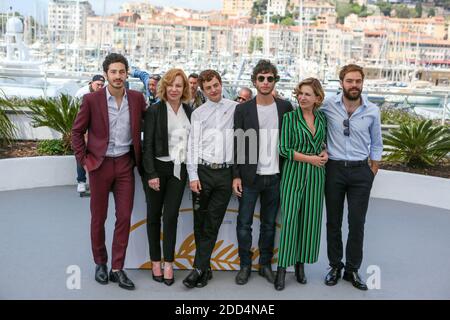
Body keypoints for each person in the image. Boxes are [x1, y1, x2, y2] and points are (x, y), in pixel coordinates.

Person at [72, 53, 147, 290]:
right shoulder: (92, 100)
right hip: (99, 165)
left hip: (125, 164)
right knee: (99, 218)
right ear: (106, 74)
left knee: (124, 217)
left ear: (127, 74)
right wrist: (84, 160)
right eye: (113, 72)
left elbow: (150, 126)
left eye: (121, 72)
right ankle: (100, 263)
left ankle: (117, 267)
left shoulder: (136, 99)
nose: (117, 76)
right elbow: (76, 132)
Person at [321, 64, 383, 291]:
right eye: (350, 81)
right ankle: (335, 266)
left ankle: (352, 269)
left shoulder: (372, 110)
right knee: (333, 222)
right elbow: (310, 120)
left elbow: (377, 144)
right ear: (341, 83)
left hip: (360, 172)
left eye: (358, 81)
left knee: (357, 223)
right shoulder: (328, 105)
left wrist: (371, 172)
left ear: (362, 83)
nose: (354, 85)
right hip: (334, 170)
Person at [232, 60, 293, 286]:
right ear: (255, 81)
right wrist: (236, 175)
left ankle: (265, 265)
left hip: (276, 176)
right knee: (244, 224)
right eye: (261, 78)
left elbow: (294, 137)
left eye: (270, 78)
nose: (265, 82)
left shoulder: (285, 107)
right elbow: (237, 142)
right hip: (250, 177)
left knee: (269, 225)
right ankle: (245, 265)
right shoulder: (243, 109)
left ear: (275, 80)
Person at [183, 69, 238, 289]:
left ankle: (198, 269)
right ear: (202, 90)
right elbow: (192, 146)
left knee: (212, 223)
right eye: (208, 88)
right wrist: (193, 175)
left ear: (221, 84)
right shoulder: (198, 113)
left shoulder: (236, 108)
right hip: (203, 173)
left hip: (225, 175)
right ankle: (204, 269)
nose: (213, 90)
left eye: (216, 85)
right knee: (200, 223)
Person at [274, 78, 328, 290]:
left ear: (317, 98)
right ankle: (281, 269)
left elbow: (325, 143)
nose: (302, 98)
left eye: (307, 94)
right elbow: (284, 149)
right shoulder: (289, 118)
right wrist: (311, 158)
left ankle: (300, 265)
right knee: (289, 222)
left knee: (309, 221)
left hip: (316, 177)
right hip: (294, 175)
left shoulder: (323, 119)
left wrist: (325, 152)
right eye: (300, 93)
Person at [142, 69, 192, 286]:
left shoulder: (190, 111)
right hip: (158, 170)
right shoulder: (154, 110)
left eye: (179, 85)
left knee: (171, 216)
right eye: (171, 85)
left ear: (184, 89)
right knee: (154, 217)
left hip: (179, 171)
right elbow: (148, 145)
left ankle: (169, 262)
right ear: (165, 86)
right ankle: (155, 261)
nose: (174, 89)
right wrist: (151, 173)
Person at [74, 74, 106, 194]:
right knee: (81, 154)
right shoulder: (82, 94)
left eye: (102, 85)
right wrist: (84, 133)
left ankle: (97, 182)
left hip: (95, 127)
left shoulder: (102, 94)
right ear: (91, 83)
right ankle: (81, 182)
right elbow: (76, 114)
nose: (100, 87)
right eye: (98, 84)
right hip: (81, 126)